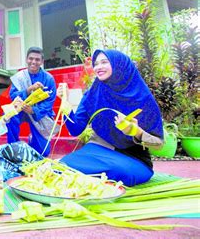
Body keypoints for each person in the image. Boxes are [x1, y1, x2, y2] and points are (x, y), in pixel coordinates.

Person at [57, 49, 164, 186]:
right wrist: (65, 102)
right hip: (97, 149)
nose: (98, 67)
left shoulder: (142, 98)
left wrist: (135, 132)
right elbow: (75, 129)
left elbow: (158, 143)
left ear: (119, 65)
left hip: (132, 157)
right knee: (63, 166)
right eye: (96, 63)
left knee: (116, 172)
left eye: (104, 62)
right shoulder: (93, 93)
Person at [6, 47, 57, 156]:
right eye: (31, 58)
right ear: (26, 59)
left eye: (37, 59)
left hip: (39, 114)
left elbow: (49, 103)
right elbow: (12, 96)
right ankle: (13, 147)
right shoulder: (20, 76)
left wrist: (33, 110)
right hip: (21, 110)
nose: (33, 62)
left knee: (43, 152)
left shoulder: (49, 79)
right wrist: (28, 90)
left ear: (42, 62)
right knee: (10, 115)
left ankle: (32, 140)